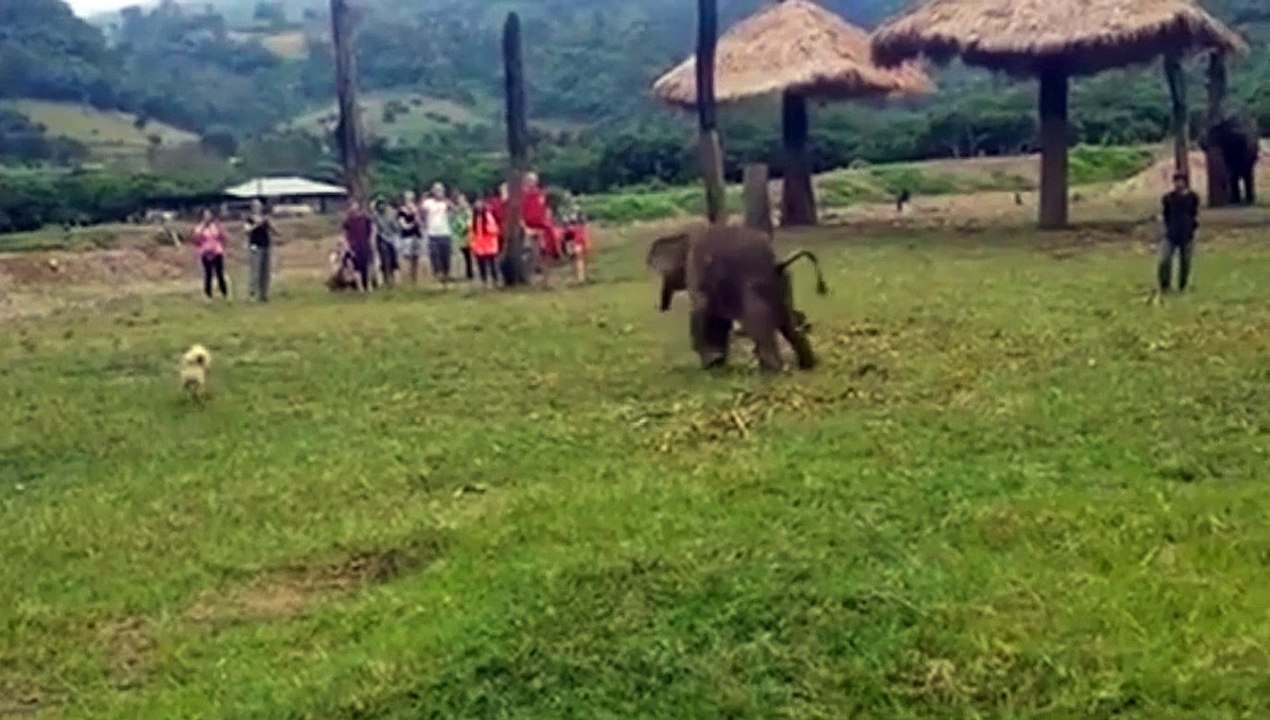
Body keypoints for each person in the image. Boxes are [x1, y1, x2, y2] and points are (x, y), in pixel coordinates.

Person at [1159, 172, 1200, 294]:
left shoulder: (1192, 197)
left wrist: (1192, 226)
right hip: (1171, 233)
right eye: (1176, 181)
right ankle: (1165, 285)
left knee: (1185, 262)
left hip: (1187, 234)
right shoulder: (1168, 198)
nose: (1178, 184)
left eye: (1180, 181)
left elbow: (1193, 213)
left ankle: (1182, 285)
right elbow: (1166, 214)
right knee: (1164, 260)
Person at [191, 208, 229, 300]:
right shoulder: (199, 227)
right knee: (208, 274)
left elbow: (223, 237)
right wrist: (202, 229)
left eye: (209, 214)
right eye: (205, 215)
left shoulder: (215, 226)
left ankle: (225, 293)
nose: (207, 217)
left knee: (219, 273)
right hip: (205, 252)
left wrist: (222, 242)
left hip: (217, 251)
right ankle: (208, 295)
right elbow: (196, 240)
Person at [522, 172, 560, 260]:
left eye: (533, 180)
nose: (531, 182)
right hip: (527, 222)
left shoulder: (540, 193)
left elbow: (545, 207)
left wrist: (547, 216)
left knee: (552, 232)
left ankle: (554, 253)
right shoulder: (522, 194)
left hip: (541, 221)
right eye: (529, 180)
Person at [421, 182, 453, 284]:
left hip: (445, 232)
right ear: (433, 192)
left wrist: (446, 201)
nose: (439, 192)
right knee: (435, 256)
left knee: (446, 256)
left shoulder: (446, 203)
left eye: (441, 190)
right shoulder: (428, 203)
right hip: (433, 234)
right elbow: (420, 212)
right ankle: (438, 274)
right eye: (437, 190)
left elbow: (454, 209)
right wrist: (422, 223)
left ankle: (446, 276)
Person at [244, 199, 276, 302]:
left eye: (259, 205)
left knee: (265, 271)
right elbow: (247, 230)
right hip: (255, 246)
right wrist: (257, 224)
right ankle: (252, 293)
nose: (258, 207)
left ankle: (263, 294)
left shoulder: (264, 218)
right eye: (256, 206)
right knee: (255, 271)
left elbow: (272, 229)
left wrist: (269, 223)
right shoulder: (249, 218)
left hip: (266, 245)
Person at [343, 199, 375, 292]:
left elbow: (371, 229)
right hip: (354, 245)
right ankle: (360, 287)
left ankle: (369, 285)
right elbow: (345, 233)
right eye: (352, 205)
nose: (354, 207)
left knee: (367, 265)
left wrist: (371, 240)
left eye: (356, 205)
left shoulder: (365, 218)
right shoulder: (348, 220)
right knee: (356, 266)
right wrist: (347, 246)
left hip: (364, 244)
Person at [470, 197, 501, 287]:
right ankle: (484, 281)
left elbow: (495, 229)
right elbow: (472, 231)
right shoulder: (474, 218)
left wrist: (487, 230)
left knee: (492, 264)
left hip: (489, 244)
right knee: (481, 264)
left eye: (480, 204)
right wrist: (473, 244)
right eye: (476, 204)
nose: (478, 206)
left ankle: (495, 281)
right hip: (479, 245)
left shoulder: (488, 215)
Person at [397, 191, 423, 284]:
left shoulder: (415, 209)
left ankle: (414, 278)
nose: (410, 200)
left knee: (416, 258)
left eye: (411, 198)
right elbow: (403, 225)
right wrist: (412, 223)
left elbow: (420, 223)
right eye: (408, 198)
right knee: (407, 257)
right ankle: (406, 278)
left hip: (416, 235)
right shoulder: (401, 211)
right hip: (407, 237)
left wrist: (415, 213)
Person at [372, 198, 400, 287]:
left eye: (382, 204)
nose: (381, 206)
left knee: (393, 259)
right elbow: (376, 228)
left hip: (392, 238)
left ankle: (392, 278)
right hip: (381, 239)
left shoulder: (391, 214)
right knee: (384, 260)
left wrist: (393, 234)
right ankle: (386, 279)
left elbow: (396, 227)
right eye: (379, 205)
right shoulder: (376, 216)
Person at [451, 191, 474, 281]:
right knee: (458, 255)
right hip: (458, 235)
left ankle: (469, 273)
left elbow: (470, 221)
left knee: (467, 255)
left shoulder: (467, 210)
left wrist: (466, 227)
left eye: (462, 200)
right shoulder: (457, 211)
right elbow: (453, 221)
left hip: (466, 234)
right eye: (459, 200)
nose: (460, 201)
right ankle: (458, 273)